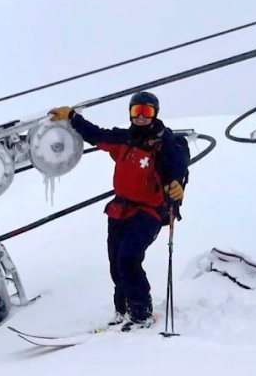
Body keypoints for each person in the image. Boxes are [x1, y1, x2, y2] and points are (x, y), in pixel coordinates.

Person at [48, 91, 190, 332]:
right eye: (137, 111)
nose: (142, 117)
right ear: (130, 113)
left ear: (155, 114)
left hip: (149, 212)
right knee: (116, 263)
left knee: (129, 258)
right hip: (119, 209)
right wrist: (71, 116)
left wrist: (177, 183)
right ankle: (122, 310)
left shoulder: (164, 143)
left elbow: (178, 162)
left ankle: (141, 313)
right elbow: (97, 135)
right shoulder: (124, 139)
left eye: (147, 111)